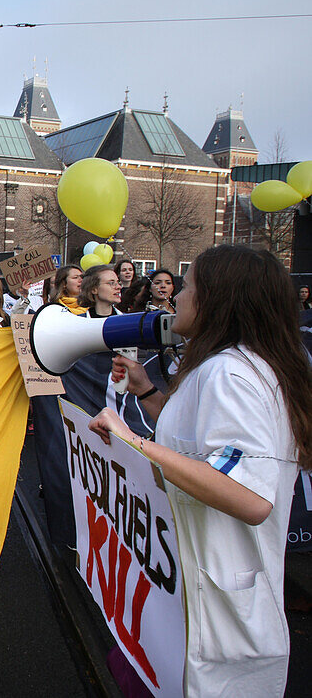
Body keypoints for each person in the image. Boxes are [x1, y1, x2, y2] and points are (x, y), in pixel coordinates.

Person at [89, 245, 312, 696]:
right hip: (195, 598)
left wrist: (134, 441)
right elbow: (205, 443)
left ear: (217, 300)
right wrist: (149, 391)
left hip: (216, 616)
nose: (178, 297)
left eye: (189, 287)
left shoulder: (231, 374)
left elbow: (248, 496)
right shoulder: (228, 367)